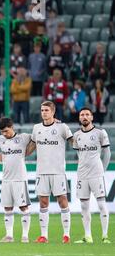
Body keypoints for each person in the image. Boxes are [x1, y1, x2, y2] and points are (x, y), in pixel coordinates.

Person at [27, 101, 74, 244]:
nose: (44, 112)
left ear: (53, 112)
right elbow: (31, 148)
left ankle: (66, 235)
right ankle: (44, 236)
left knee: (62, 201)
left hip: (58, 171)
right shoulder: (37, 128)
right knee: (43, 202)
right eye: (42, 110)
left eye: (46, 110)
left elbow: (74, 143)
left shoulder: (62, 127)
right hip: (41, 172)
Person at [72, 108, 111, 244]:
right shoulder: (76, 135)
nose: (84, 117)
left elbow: (107, 154)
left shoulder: (100, 133)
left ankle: (105, 235)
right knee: (84, 206)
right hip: (82, 175)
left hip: (96, 174)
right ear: (79, 118)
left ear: (92, 117)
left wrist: (102, 170)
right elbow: (79, 155)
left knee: (101, 204)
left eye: (87, 114)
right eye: (82, 114)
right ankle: (88, 236)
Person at [0, 117, 31, 243]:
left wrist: (28, 152)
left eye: (6, 131)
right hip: (6, 179)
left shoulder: (23, 137)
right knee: (7, 208)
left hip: (20, 178)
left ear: (12, 127)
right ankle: (9, 236)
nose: (4, 134)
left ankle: (25, 236)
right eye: (2, 132)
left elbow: (37, 138)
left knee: (23, 207)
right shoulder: (0, 140)